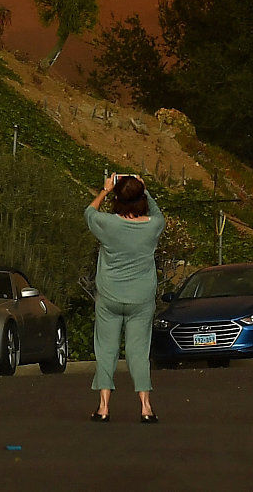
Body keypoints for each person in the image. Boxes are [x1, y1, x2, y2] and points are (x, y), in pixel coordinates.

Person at [83, 172, 166, 423]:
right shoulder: (153, 225)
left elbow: (89, 212)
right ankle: (146, 407)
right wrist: (144, 188)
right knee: (138, 351)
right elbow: (159, 214)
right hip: (141, 297)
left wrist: (105, 189)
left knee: (106, 349)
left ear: (118, 198)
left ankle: (104, 407)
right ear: (141, 198)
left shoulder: (108, 224)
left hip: (110, 295)